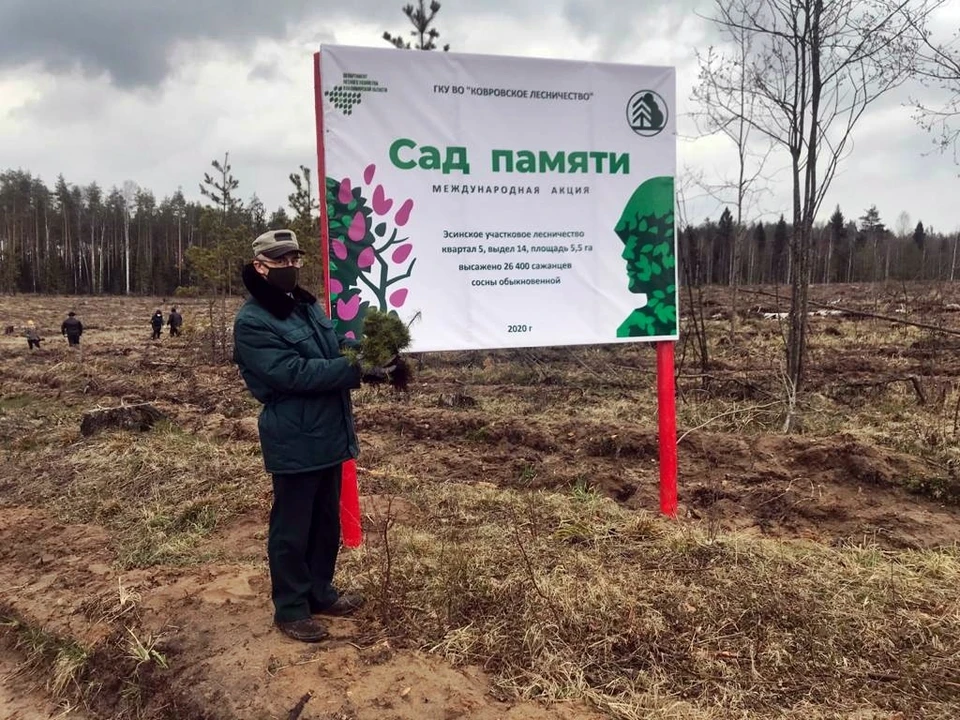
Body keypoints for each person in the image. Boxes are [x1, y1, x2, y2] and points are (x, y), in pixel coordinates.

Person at [233, 229, 388, 643]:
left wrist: (367, 356)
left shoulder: (305, 306)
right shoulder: (253, 321)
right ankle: (291, 608)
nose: (290, 268)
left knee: (324, 523)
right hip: (294, 437)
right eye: (280, 262)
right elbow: (291, 373)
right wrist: (352, 370)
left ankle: (320, 592)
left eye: (294, 260)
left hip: (329, 433)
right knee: (292, 527)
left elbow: (333, 346)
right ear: (260, 266)